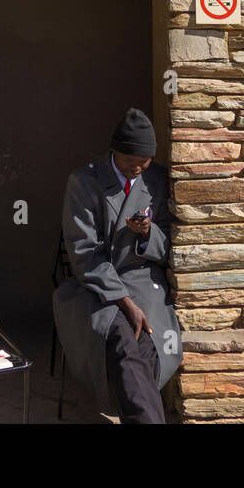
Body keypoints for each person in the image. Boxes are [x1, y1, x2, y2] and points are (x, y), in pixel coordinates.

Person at [53, 108, 182, 424]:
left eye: (144, 162)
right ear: (114, 151)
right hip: (96, 283)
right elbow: (85, 252)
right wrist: (124, 302)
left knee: (150, 346)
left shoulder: (158, 180)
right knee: (123, 340)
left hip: (144, 279)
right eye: (130, 161)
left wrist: (148, 234)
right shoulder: (84, 181)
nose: (137, 168)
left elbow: (172, 246)